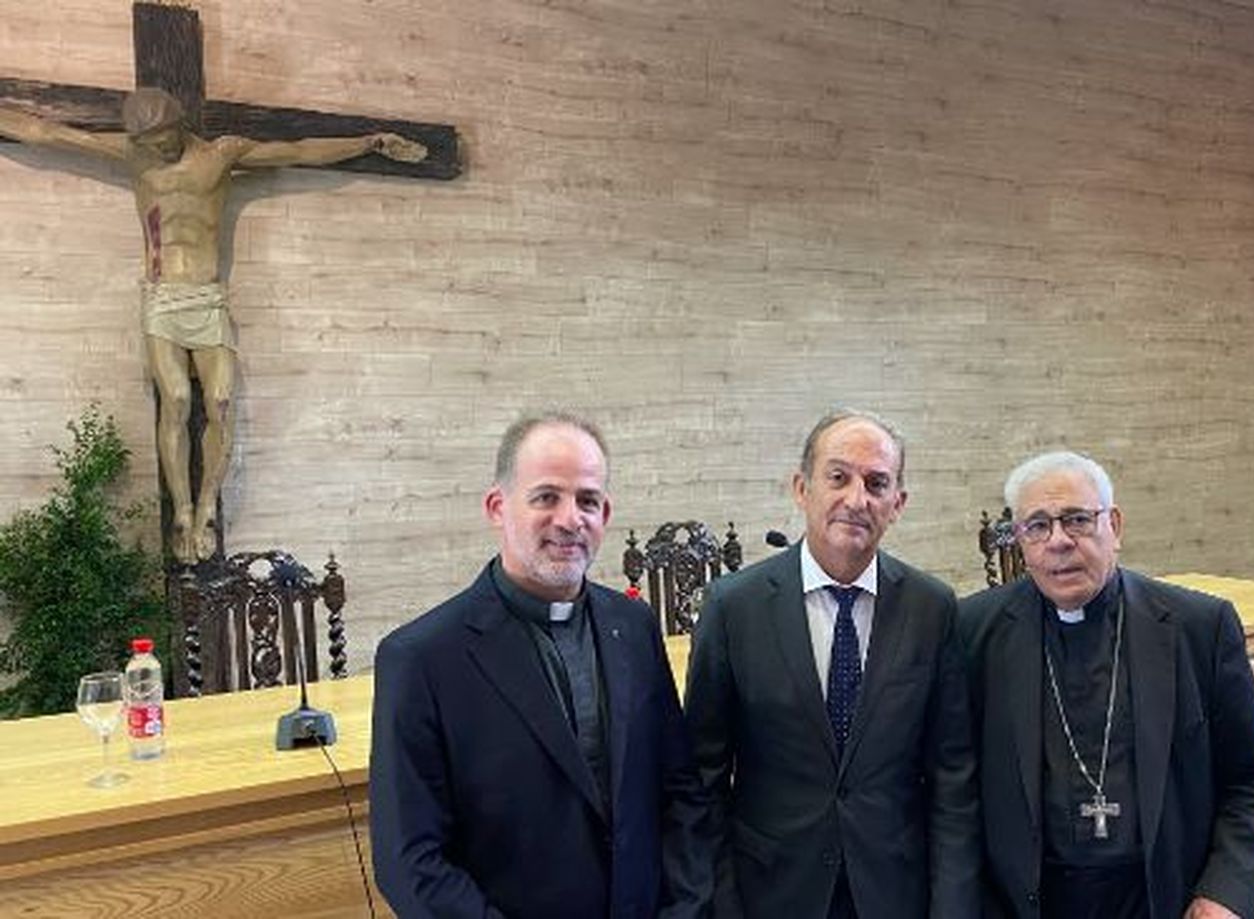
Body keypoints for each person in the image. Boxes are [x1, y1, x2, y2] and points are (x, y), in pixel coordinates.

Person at [0, 87, 426, 563]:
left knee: (221, 402)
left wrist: (367, 142)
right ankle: (182, 511)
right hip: (161, 298)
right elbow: (47, 132)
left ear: (179, 124)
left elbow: (298, 150)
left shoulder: (222, 154)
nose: (156, 149)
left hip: (207, 298)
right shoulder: (133, 155)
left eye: (162, 138)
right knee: (177, 399)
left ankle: (207, 507)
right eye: (147, 142)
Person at [369, 413, 711, 918]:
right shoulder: (421, 659)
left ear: (605, 514)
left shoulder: (633, 626)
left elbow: (680, 792)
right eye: (546, 496)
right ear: (497, 507)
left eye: (587, 500)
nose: (570, 519)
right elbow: (411, 862)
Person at [959, 451, 1254, 919]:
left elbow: (1253, 780)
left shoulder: (1198, 627)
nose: (1058, 541)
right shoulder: (974, 631)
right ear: (1021, 541)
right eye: (1037, 526)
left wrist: (1225, 894)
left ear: (1113, 525)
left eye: (1076, 520)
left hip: (1161, 901)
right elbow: (950, 791)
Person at [684, 409, 979, 919]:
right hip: (769, 892)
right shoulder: (734, 608)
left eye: (876, 483)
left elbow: (953, 779)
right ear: (802, 488)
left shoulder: (932, 608)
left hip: (894, 892)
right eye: (838, 477)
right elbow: (702, 780)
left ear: (897, 503)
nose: (856, 499)